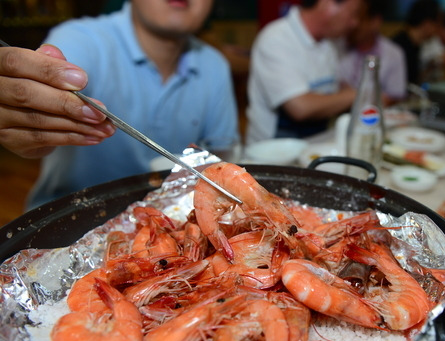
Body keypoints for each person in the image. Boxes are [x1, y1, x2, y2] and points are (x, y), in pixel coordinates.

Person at [0, 0, 240, 209]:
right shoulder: (81, 39)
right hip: (70, 221)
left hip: (176, 218)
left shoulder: (213, 65)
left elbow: (221, 159)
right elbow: (42, 88)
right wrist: (28, 118)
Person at [246, 0, 360, 144]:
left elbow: (333, 88)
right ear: (327, 4)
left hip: (314, 144)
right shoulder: (276, 38)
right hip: (274, 154)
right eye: (353, 13)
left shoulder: (329, 44)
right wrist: (357, 94)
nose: (354, 23)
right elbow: (300, 107)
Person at [337, 0, 407, 106]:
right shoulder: (335, 47)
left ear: (375, 22)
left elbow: (395, 97)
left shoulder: (393, 54)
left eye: (358, 18)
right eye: (350, 17)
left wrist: (356, 96)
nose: (352, 24)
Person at [391, 0, 441, 86]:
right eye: (437, 24)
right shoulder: (398, 46)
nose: (438, 30)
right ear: (427, 23)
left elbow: (413, 80)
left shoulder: (416, 45)